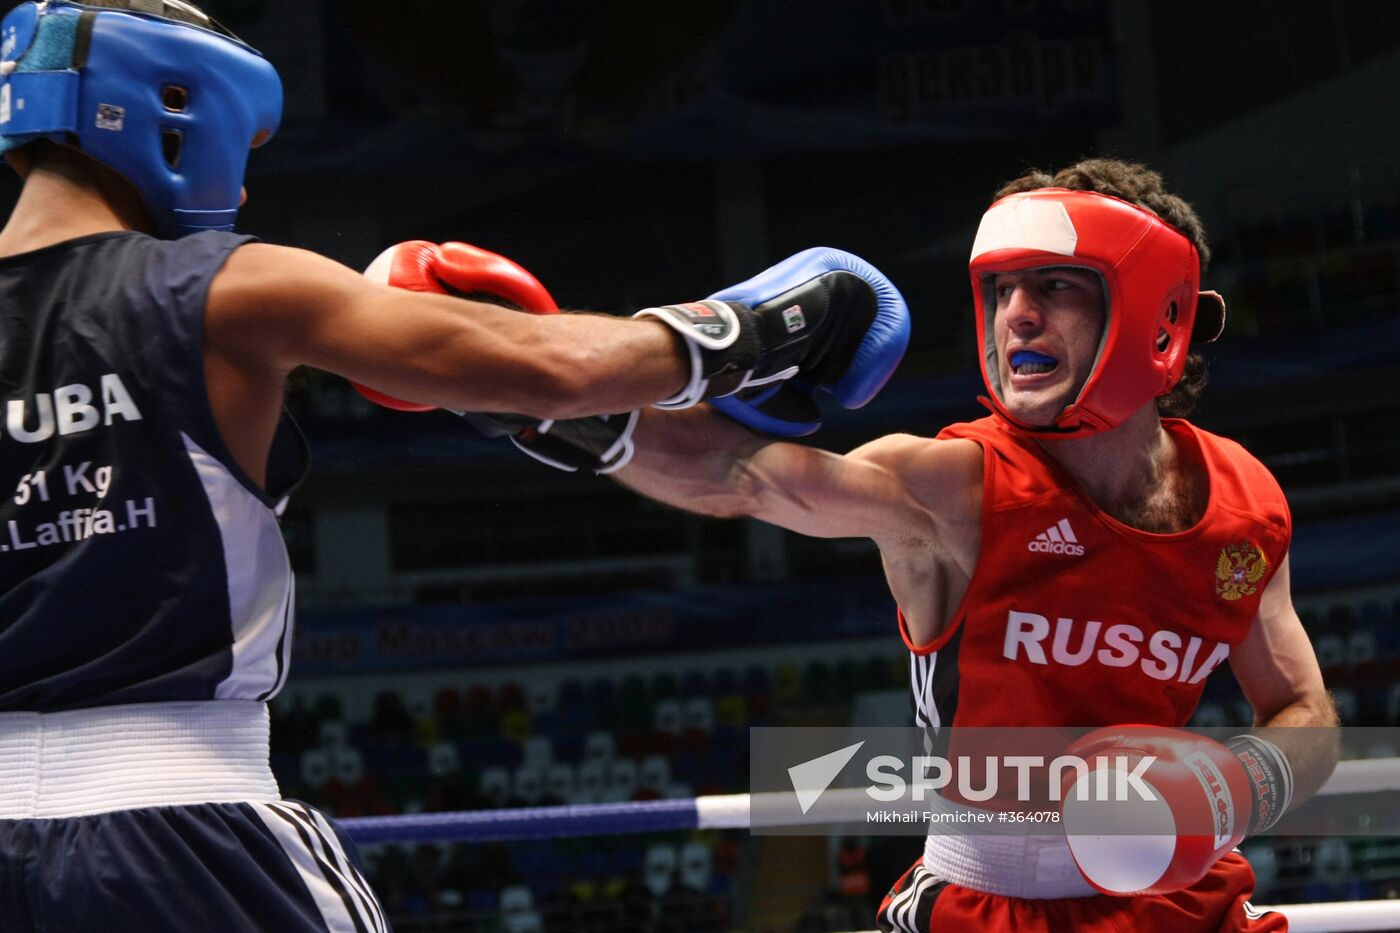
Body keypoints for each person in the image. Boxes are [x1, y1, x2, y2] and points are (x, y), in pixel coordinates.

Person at [0, 2, 904, 930]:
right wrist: (755, 329)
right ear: (176, 105)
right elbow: (552, 368)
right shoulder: (224, 287)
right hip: (183, 822)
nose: (237, 189)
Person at [551, 158, 1338, 931]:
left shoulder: (1243, 505)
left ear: (1156, 314)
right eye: (1002, 289)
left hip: (1183, 900)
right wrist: (548, 396)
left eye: (1056, 284)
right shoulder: (955, 486)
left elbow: (1305, 712)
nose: (1016, 315)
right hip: (990, 904)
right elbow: (741, 475)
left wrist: (1236, 785)